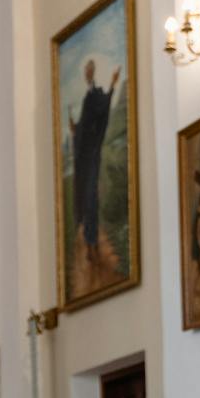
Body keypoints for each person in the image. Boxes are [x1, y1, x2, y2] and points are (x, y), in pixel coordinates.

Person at [68, 57, 121, 267]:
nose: (88, 74)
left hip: (91, 155)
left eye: (90, 70)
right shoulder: (87, 98)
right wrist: (75, 130)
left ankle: (92, 242)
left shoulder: (97, 94)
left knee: (91, 197)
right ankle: (88, 240)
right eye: (86, 71)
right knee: (83, 195)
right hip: (83, 158)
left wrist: (113, 85)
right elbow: (84, 125)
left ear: (93, 71)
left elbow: (104, 110)